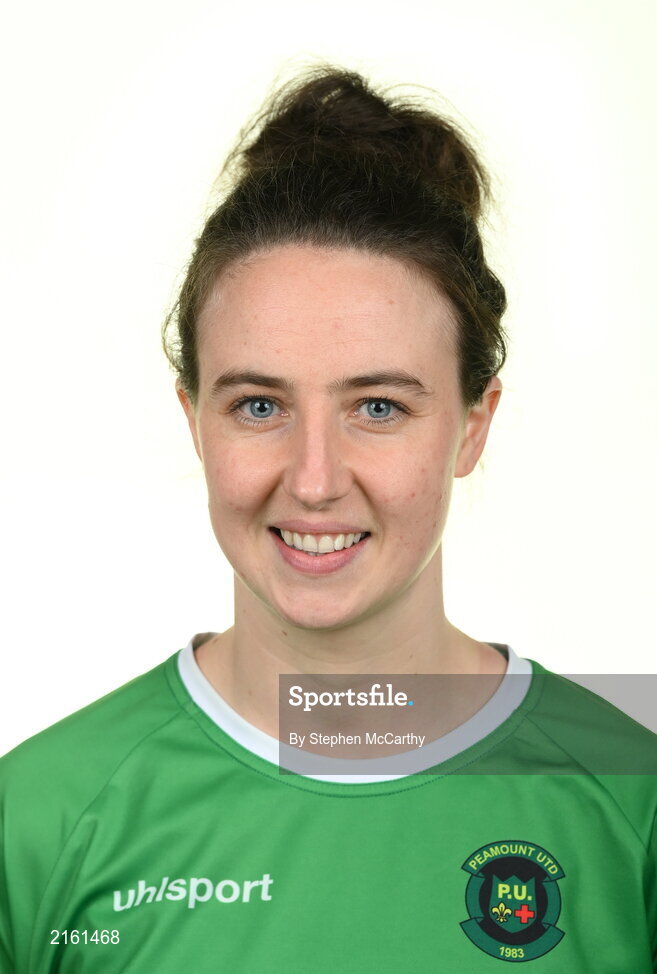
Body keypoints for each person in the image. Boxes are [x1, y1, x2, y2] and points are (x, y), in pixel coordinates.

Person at [1, 64, 656, 973]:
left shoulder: (633, 796)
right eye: (259, 406)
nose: (313, 481)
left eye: (378, 407)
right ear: (195, 421)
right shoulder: (38, 816)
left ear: (471, 426)